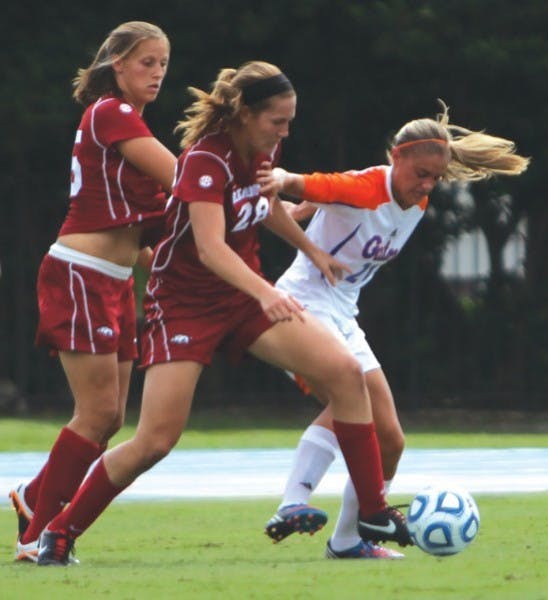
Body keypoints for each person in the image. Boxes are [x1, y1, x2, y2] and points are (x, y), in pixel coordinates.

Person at [33, 60, 414, 566]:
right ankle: (59, 532)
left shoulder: (263, 149)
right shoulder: (204, 161)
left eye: (288, 122)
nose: (285, 131)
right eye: (277, 121)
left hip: (239, 298)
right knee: (154, 440)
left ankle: (372, 512)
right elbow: (211, 248)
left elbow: (266, 202)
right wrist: (265, 292)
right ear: (245, 114)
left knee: (346, 374)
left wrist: (310, 248)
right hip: (184, 306)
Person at [260, 101, 530, 558]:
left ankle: (348, 542)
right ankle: (292, 503)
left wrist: (303, 209)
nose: (426, 185)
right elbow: (318, 183)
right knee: (347, 401)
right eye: (419, 173)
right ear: (395, 157)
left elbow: (322, 199)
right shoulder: (369, 185)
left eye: (435, 178)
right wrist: (280, 180)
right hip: (303, 307)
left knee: (391, 440)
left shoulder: (417, 203)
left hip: (343, 315)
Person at [9, 21, 177, 562]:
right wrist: (253, 188)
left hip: (112, 280)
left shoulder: (131, 124)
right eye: (146, 62)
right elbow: (185, 178)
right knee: (98, 413)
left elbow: (140, 228)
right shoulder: (112, 112)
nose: (156, 73)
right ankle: (36, 531)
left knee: (109, 417)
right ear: (118, 63)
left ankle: (36, 498)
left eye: (163, 64)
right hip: (80, 272)